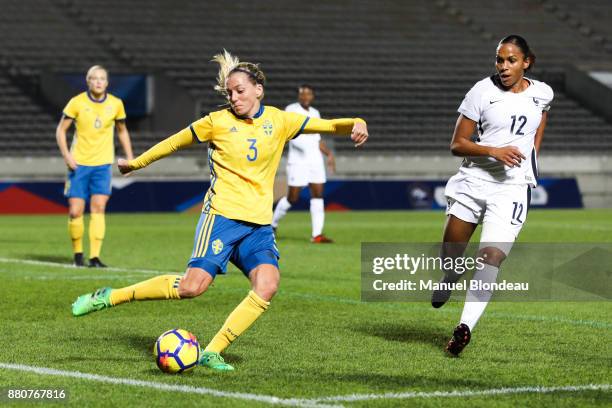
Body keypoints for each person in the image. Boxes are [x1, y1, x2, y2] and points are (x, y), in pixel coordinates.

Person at [70, 50, 368, 371]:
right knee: (191, 287)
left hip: (258, 226)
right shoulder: (217, 122)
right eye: (229, 92)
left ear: (258, 90)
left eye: (240, 91)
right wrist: (135, 163)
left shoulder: (280, 120)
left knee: (267, 284)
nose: (234, 97)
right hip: (222, 218)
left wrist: (357, 122)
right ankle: (111, 295)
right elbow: (174, 142)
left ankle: (212, 350)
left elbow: (330, 126)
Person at [431, 35, 553, 356]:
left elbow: (540, 119)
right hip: (474, 180)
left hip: (511, 188)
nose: (503, 66)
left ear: (527, 62)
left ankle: (464, 327)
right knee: (452, 250)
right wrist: (494, 151)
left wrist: (532, 156)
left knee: (491, 257)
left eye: (511, 60)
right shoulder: (481, 92)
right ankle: (450, 274)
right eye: (499, 60)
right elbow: (457, 144)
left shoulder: (542, 92)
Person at [56, 65, 134, 268]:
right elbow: (61, 131)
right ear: (88, 81)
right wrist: (66, 156)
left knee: (99, 208)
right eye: (94, 78)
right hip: (79, 164)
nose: (98, 81)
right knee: (75, 211)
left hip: (102, 165)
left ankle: (95, 257)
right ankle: (78, 255)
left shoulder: (116, 104)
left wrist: (130, 158)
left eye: (102, 78)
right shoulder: (77, 102)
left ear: (107, 82)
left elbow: (122, 131)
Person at [271, 85, 336, 243]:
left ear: (312, 96)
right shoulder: (290, 109)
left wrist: (329, 153)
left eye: (308, 94)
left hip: (315, 160)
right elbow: (283, 131)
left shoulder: (315, 113)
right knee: (293, 198)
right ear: (299, 96)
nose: (305, 96)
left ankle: (317, 235)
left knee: (318, 196)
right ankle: (272, 224)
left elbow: (317, 139)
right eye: (302, 94)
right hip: (298, 160)